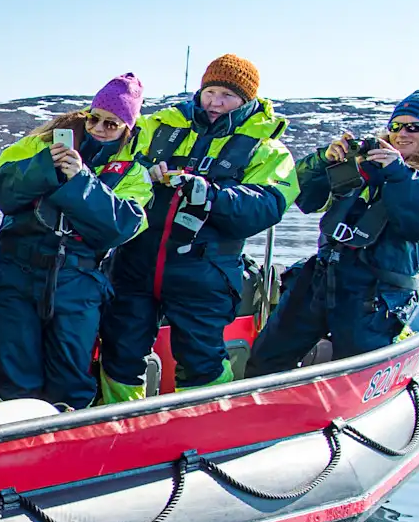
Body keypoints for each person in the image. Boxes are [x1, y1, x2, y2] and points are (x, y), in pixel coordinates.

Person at [99, 54, 298, 400]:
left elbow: (267, 205)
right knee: (120, 350)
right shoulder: (158, 126)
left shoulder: (268, 148)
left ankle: (205, 431)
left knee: (201, 358)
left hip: (206, 270)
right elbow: (118, 166)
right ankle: (120, 427)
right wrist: (144, 173)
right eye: (211, 92)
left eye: (227, 96)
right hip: (135, 262)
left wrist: (212, 195)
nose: (215, 103)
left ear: (246, 100)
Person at [246, 89, 419, 373]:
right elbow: (306, 197)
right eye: (396, 126)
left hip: (377, 297)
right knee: (266, 358)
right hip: (320, 279)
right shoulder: (366, 164)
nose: (402, 134)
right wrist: (324, 161)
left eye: (414, 127)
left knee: (356, 372)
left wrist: (399, 174)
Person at [0, 74, 154, 408]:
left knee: (71, 379)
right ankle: (11, 444)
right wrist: (46, 166)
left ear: (126, 130)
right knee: (14, 377)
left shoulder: (134, 171)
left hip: (78, 282)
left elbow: (122, 226)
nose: (99, 129)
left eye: (111, 124)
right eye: (95, 118)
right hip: (15, 272)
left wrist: (81, 180)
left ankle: (68, 448)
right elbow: (1, 189)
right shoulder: (36, 145)